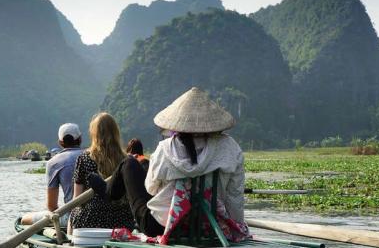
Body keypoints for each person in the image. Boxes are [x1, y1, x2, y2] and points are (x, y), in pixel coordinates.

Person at [89, 87, 247, 239]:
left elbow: (151, 188)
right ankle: (110, 191)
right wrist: (236, 227)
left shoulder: (166, 148)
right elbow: (234, 197)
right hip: (211, 226)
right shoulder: (231, 148)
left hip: (162, 226)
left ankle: (109, 192)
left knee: (129, 163)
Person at [69, 112, 136, 233]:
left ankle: (69, 244)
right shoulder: (127, 160)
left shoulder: (84, 158)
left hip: (90, 220)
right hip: (122, 221)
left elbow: (77, 199)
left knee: (73, 211)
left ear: (94, 134)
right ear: (116, 132)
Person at [21, 123, 83, 228]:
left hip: (71, 218)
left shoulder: (53, 163)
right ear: (80, 139)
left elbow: (52, 206)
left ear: (60, 142)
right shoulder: (93, 155)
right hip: (97, 213)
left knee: (24, 219)